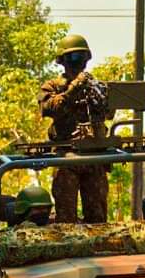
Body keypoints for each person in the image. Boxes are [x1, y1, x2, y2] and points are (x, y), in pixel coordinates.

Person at [38, 34, 110, 224]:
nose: (77, 62)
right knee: (66, 220)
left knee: (98, 219)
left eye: (81, 57)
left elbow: (108, 113)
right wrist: (73, 90)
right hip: (66, 159)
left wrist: (99, 96)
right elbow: (49, 109)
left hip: (95, 157)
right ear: (62, 60)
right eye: (72, 57)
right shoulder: (52, 86)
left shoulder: (94, 85)